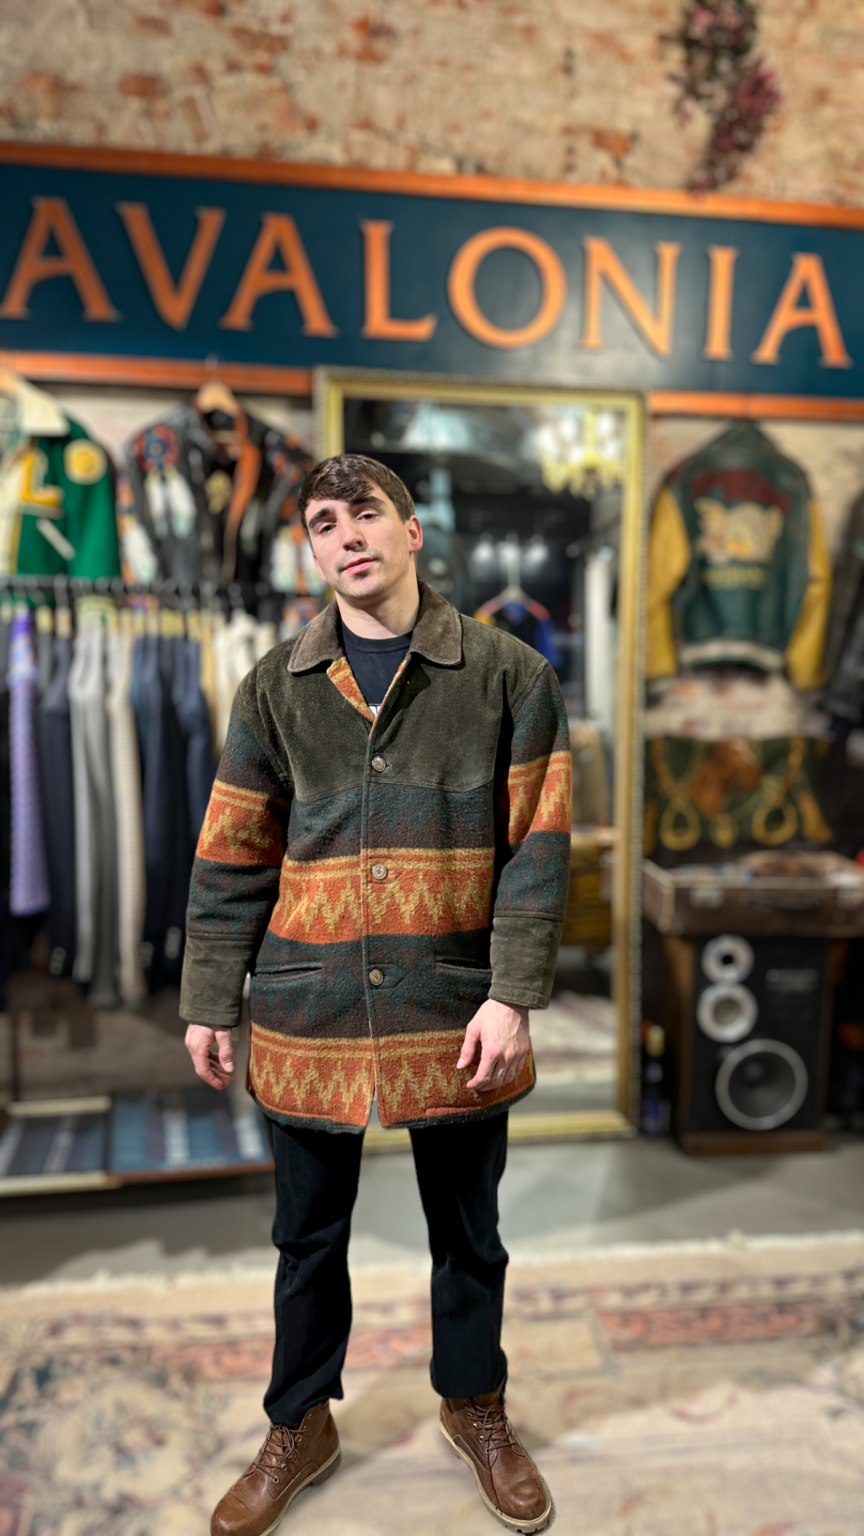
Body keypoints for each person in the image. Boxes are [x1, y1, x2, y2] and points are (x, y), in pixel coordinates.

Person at [181, 453, 572, 1536]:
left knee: (470, 1233)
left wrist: (513, 993)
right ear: (312, 548)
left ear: (410, 531)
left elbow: (539, 846)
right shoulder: (274, 686)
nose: (346, 536)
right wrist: (210, 997)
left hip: (455, 1005)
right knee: (306, 1238)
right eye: (324, 522)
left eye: (366, 514)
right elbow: (232, 852)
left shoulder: (509, 675)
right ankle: (300, 1422)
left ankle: (475, 1404)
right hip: (306, 1004)